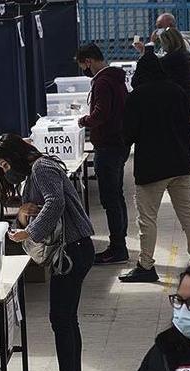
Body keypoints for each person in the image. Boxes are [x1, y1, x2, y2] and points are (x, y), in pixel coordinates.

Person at [0, 134, 95, 371]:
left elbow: (55, 203)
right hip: (73, 249)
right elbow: (41, 207)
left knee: (61, 319)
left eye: (4, 165)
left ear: (14, 156)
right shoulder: (38, 170)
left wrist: (29, 231)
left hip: (73, 250)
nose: (5, 171)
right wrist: (24, 216)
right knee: (65, 319)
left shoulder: (42, 167)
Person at [119, 51, 190, 283]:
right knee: (187, 215)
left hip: (152, 168)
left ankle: (146, 265)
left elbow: (128, 134)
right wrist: (189, 159)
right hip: (180, 164)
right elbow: (188, 129)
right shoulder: (178, 92)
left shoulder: (137, 97)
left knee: (147, 219)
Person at [76, 43, 129, 265]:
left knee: (110, 199)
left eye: (83, 66)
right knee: (117, 196)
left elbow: (100, 114)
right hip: (120, 143)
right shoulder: (116, 79)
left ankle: (117, 248)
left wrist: (83, 120)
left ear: (89, 61)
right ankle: (120, 243)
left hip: (107, 146)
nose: (84, 71)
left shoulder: (103, 82)